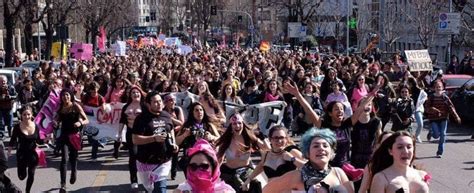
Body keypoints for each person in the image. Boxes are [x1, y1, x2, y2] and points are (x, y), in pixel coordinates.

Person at [263, 128, 354, 193]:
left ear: (331, 152)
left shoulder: (338, 172)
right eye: (316, 146)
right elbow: (266, 190)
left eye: (325, 146)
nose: (321, 149)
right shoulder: (296, 176)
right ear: (307, 153)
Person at [132, 91, 178, 193]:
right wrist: (153, 138)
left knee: (161, 190)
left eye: (160, 101)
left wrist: (173, 143)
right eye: (155, 102)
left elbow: (171, 130)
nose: (159, 104)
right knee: (150, 189)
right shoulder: (141, 119)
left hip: (163, 161)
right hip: (145, 162)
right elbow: (135, 139)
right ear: (148, 104)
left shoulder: (166, 115)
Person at [216, 113, 269, 193]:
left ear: (243, 124)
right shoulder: (226, 140)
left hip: (246, 171)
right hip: (228, 173)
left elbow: (267, 148)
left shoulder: (249, 138)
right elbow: (219, 159)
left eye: (239, 123)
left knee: (255, 184)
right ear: (230, 126)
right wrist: (215, 175)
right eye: (234, 123)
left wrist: (263, 136)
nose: (237, 126)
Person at [242, 126, 305, 190]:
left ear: (286, 139)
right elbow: (260, 166)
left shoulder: (292, 151)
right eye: (276, 138)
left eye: (282, 137)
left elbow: (309, 167)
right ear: (270, 139)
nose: (279, 141)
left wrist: (292, 159)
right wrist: (248, 180)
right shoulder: (266, 154)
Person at [53, 89, 89, 192]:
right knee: (64, 159)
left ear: (71, 96)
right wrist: (55, 122)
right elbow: (57, 119)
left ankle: (74, 172)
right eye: (63, 95)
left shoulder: (75, 106)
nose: (65, 97)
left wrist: (80, 123)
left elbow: (86, 120)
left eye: (67, 95)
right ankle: (63, 185)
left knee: (73, 158)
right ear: (61, 97)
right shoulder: (60, 107)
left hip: (74, 136)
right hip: (64, 135)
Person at [116, 86, 146, 190]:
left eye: (137, 92)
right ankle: (134, 180)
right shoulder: (126, 107)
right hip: (131, 134)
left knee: (144, 157)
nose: (135, 94)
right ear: (130, 95)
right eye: (133, 92)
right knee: (133, 156)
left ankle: (147, 179)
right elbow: (122, 121)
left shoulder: (145, 106)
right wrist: (119, 134)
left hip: (144, 134)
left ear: (140, 94)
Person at [424, 80, 461, 158]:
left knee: (443, 134)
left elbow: (451, 107)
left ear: (442, 88)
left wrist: (456, 116)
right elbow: (426, 108)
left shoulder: (445, 97)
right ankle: (431, 132)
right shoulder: (431, 97)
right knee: (436, 135)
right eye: (436, 87)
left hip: (443, 118)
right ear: (434, 88)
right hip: (434, 119)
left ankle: (439, 152)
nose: (438, 88)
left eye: (439, 87)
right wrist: (433, 109)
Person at [7, 106, 40, 193]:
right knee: (22, 176)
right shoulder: (18, 127)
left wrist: (47, 139)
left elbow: (39, 140)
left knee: (31, 174)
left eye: (28, 114)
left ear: (32, 115)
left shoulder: (36, 126)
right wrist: (9, 150)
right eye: (24, 114)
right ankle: (22, 173)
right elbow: (13, 139)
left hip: (33, 154)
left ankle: (27, 191)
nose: (26, 116)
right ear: (21, 115)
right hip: (21, 154)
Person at [162, 94, 185, 180]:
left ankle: (173, 172)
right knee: (166, 152)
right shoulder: (162, 110)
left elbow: (182, 123)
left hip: (177, 133)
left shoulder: (177, 109)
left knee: (175, 152)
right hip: (166, 133)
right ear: (166, 102)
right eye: (170, 100)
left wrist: (171, 119)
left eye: (173, 100)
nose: (172, 102)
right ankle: (163, 172)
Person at [407, 77, 427, 143]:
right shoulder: (407, 90)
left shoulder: (419, 90)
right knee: (409, 125)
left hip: (417, 109)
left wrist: (420, 103)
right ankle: (409, 138)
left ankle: (416, 136)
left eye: (409, 83)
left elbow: (425, 96)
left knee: (420, 124)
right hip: (408, 109)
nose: (408, 85)